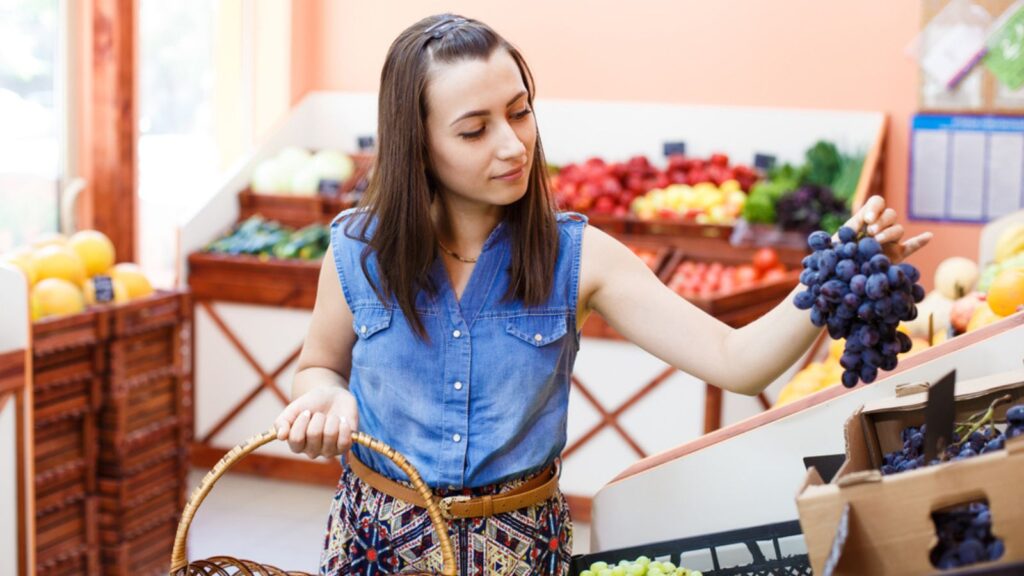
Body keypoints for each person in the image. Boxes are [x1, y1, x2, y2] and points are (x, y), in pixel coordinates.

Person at [273, 13, 932, 576]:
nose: (512, 144)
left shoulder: (576, 255)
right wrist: (324, 397)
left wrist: (835, 275)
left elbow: (737, 361)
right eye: (474, 130)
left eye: (520, 112)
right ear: (417, 146)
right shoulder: (357, 250)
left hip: (521, 549)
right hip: (374, 544)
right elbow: (318, 365)